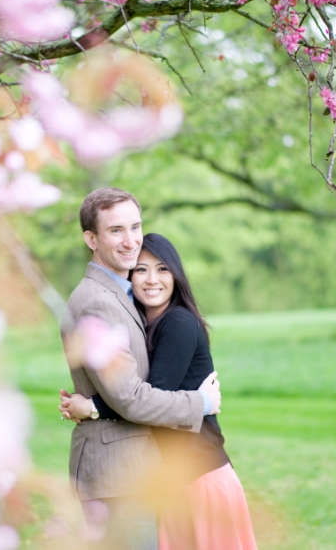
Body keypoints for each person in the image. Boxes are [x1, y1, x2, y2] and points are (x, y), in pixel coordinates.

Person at [61, 233, 258, 550]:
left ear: (176, 276)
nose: (152, 280)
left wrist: (93, 407)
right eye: (141, 270)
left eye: (162, 269)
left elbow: (147, 398)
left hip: (200, 475)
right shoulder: (144, 325)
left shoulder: (177, 323)